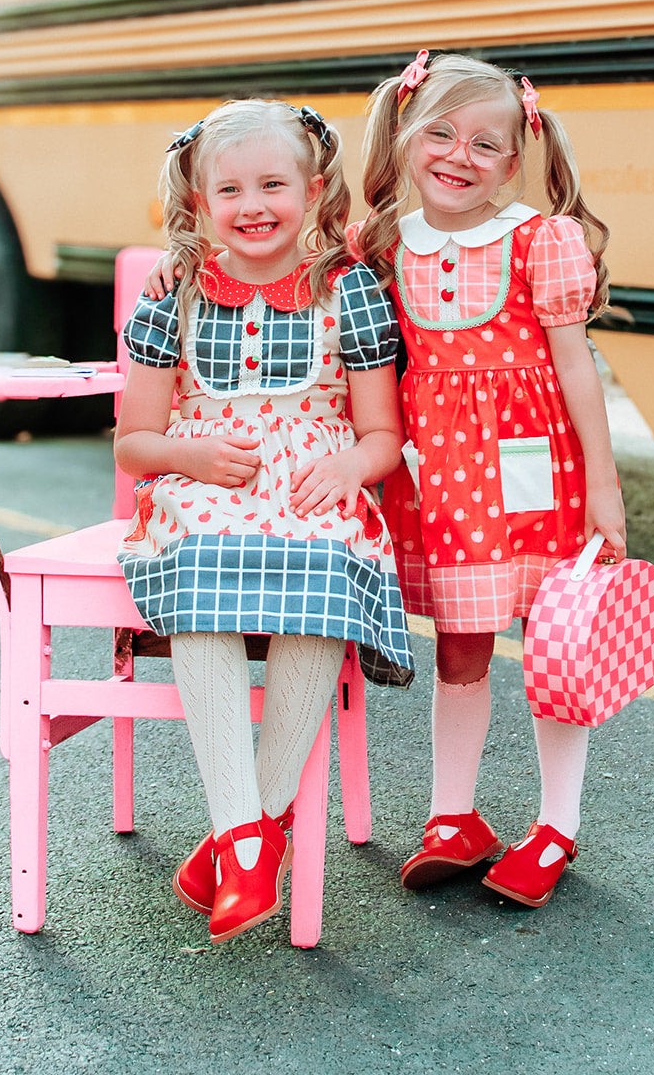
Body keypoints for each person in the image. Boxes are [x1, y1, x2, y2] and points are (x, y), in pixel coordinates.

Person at [115, 100, 411, 944]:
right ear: (200, 203)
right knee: (203, 571)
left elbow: (382, 435)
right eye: (230, 189)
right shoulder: (175, 298)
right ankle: (253, 832)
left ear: (315, 191)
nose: (253, 205)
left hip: (314, 478)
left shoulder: (350, 290)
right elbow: (136, 443)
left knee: (320, 566)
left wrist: (351, 466)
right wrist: (189, 457)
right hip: (204, 480)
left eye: (273, 184)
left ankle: (243, 839)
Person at [355, 49, 627, 908]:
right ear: (403, 135)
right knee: (462, 647)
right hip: (441, 483)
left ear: (516, 158)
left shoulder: (539, 241)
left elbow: (576, 370)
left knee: (557, 650)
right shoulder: (379, 243)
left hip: (536, 477)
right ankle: (454, 817)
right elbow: (289, 280)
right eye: (439, 133)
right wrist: (180, 258)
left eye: (484, 143)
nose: (458, 157)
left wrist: (604, 485)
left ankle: (555, 827)